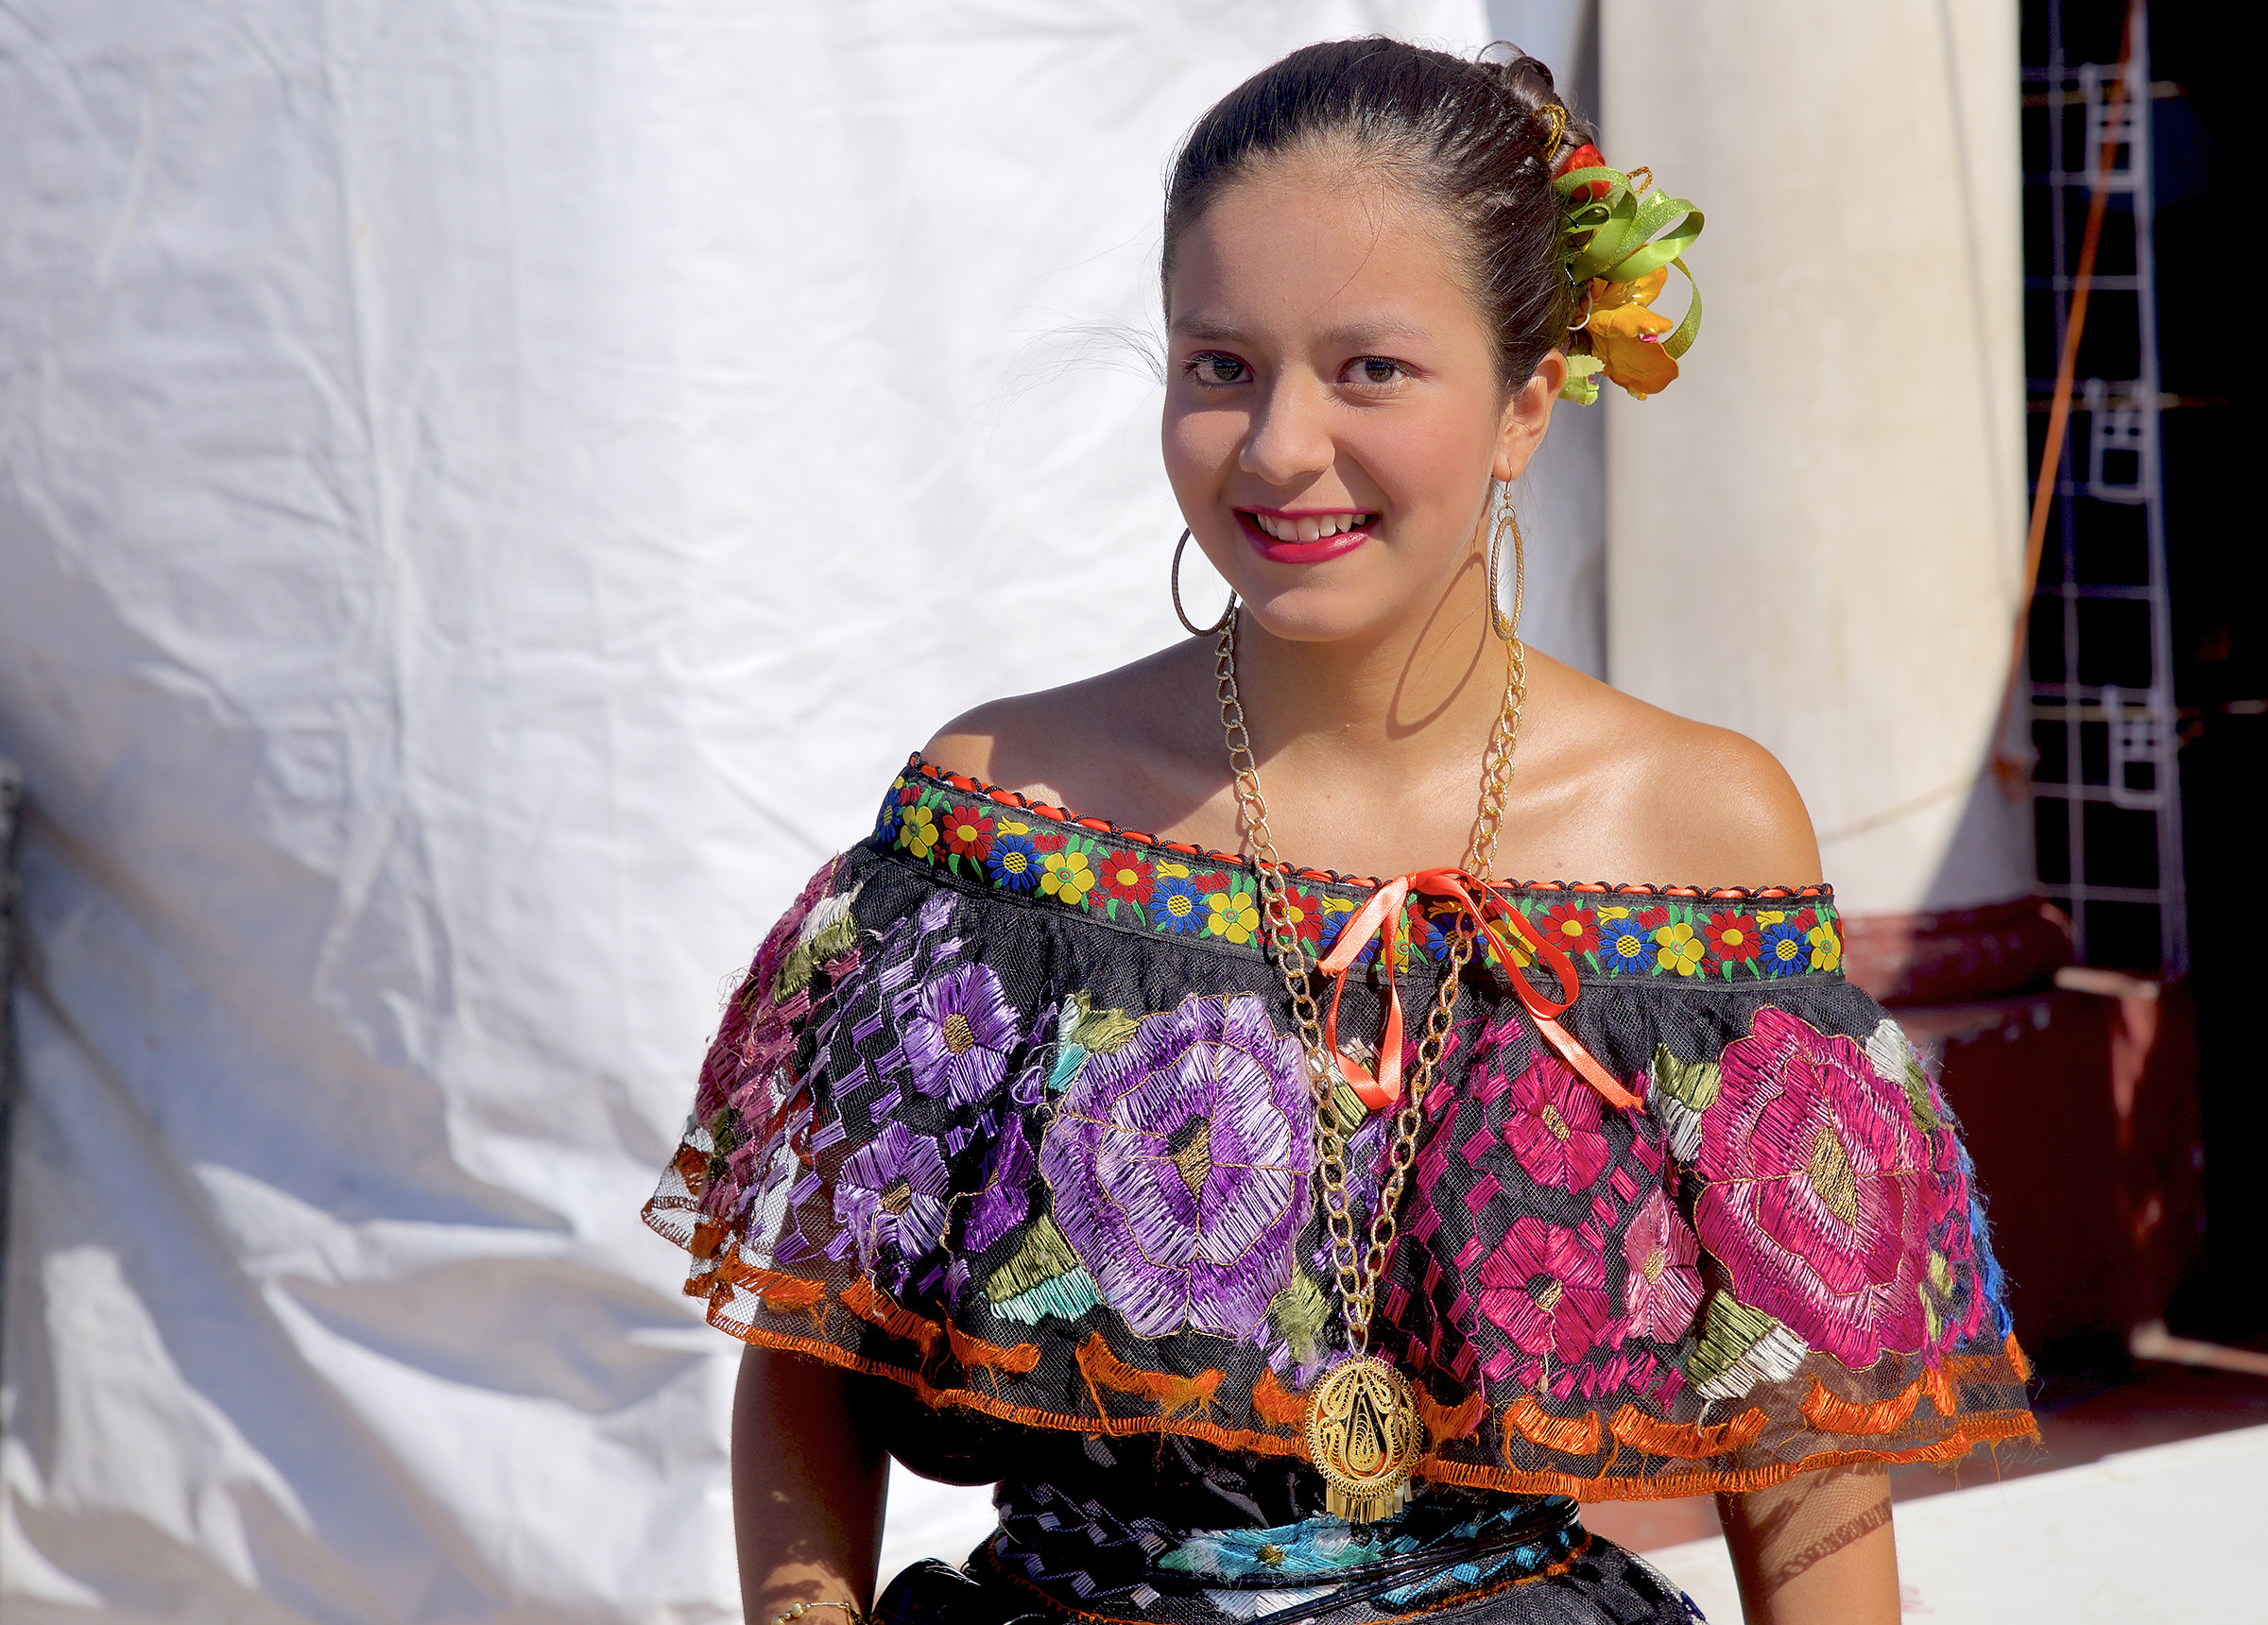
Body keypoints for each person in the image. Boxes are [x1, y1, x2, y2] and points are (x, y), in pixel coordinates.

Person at [645, 38, 2034, 1625]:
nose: (1281, 447)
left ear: (1526, 404)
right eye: (1219, 365)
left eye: (1370, 369)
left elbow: (1803, 1449)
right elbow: (816, 1362)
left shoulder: (1692, 828)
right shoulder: (1003, 819)